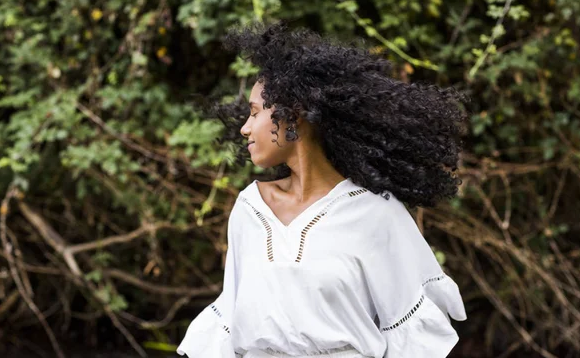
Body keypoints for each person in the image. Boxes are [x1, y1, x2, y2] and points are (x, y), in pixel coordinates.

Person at [177, 22, 469, 358]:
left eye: (255, 112)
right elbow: (229, 328)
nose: (245, 127)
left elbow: (413, 340)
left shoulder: (376, 213)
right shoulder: (249, 209)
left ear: (293, 115)